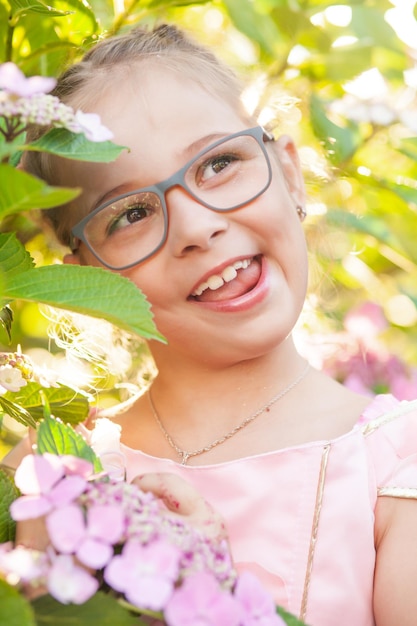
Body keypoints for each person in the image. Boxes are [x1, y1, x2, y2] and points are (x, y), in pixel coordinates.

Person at [4, 23, 417, 626]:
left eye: (220, 162)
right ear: (90, 276)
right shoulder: (52, 477)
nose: (198, 228)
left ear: (291, 175)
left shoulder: (394, 466)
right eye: (132, 213)